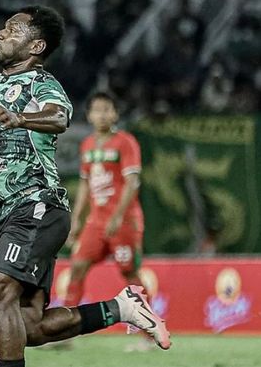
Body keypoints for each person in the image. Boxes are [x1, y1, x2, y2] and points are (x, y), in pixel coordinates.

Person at [0, 5, 170, 367]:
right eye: (2, 27)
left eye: (12, 29)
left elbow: (59, 117)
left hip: (37, 205)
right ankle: (122, 307)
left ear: (36, 47)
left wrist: (21, 118)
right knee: (30, 326)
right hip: (6, 214)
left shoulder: (43, 85)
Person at [63, 91, 151, 348]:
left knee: (130, 273)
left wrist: (118, 216)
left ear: (115, 113)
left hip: (123, 222)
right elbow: (85, 187)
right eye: (97, 110)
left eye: (107, 109)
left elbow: (132, 182)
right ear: (89, 115)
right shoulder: (87, 145)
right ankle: (65, 332)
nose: (102, 114)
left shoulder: (126, 142)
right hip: (96, 223)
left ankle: (148, 334)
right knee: (77, 267)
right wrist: (77, 220)